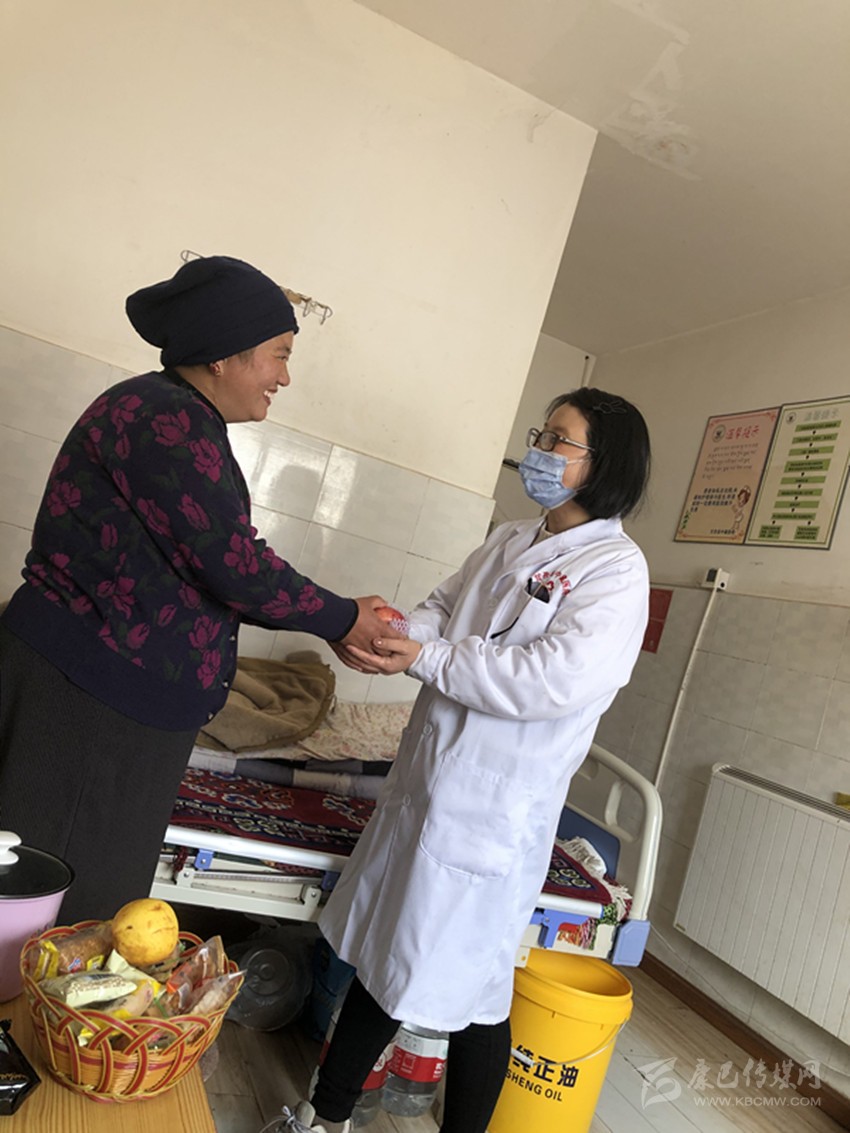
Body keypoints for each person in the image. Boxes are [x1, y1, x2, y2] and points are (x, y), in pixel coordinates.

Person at [276, 387, 652, 1133]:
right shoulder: (511, 537)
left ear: (604, 464)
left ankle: (350, 1117)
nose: (539, 451)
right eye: (541, 434)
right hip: (428, 783)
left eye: (558, 440)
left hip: (490, 807)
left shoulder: (615, 570)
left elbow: (549, 679)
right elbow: (445, 608)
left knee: (474, 995)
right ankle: (324, 1116)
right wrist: (396, 633)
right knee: (386, 961)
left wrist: (427, 657)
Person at [0, 255, 400, 924]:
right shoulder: (166, 419)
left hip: (108, 697)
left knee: (77, 906)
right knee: (56, 906)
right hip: (87, 700)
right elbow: (233, 564)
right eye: (279, 354)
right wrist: (341, 617)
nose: (284, 376)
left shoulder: (177, 417)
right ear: (223, 353)